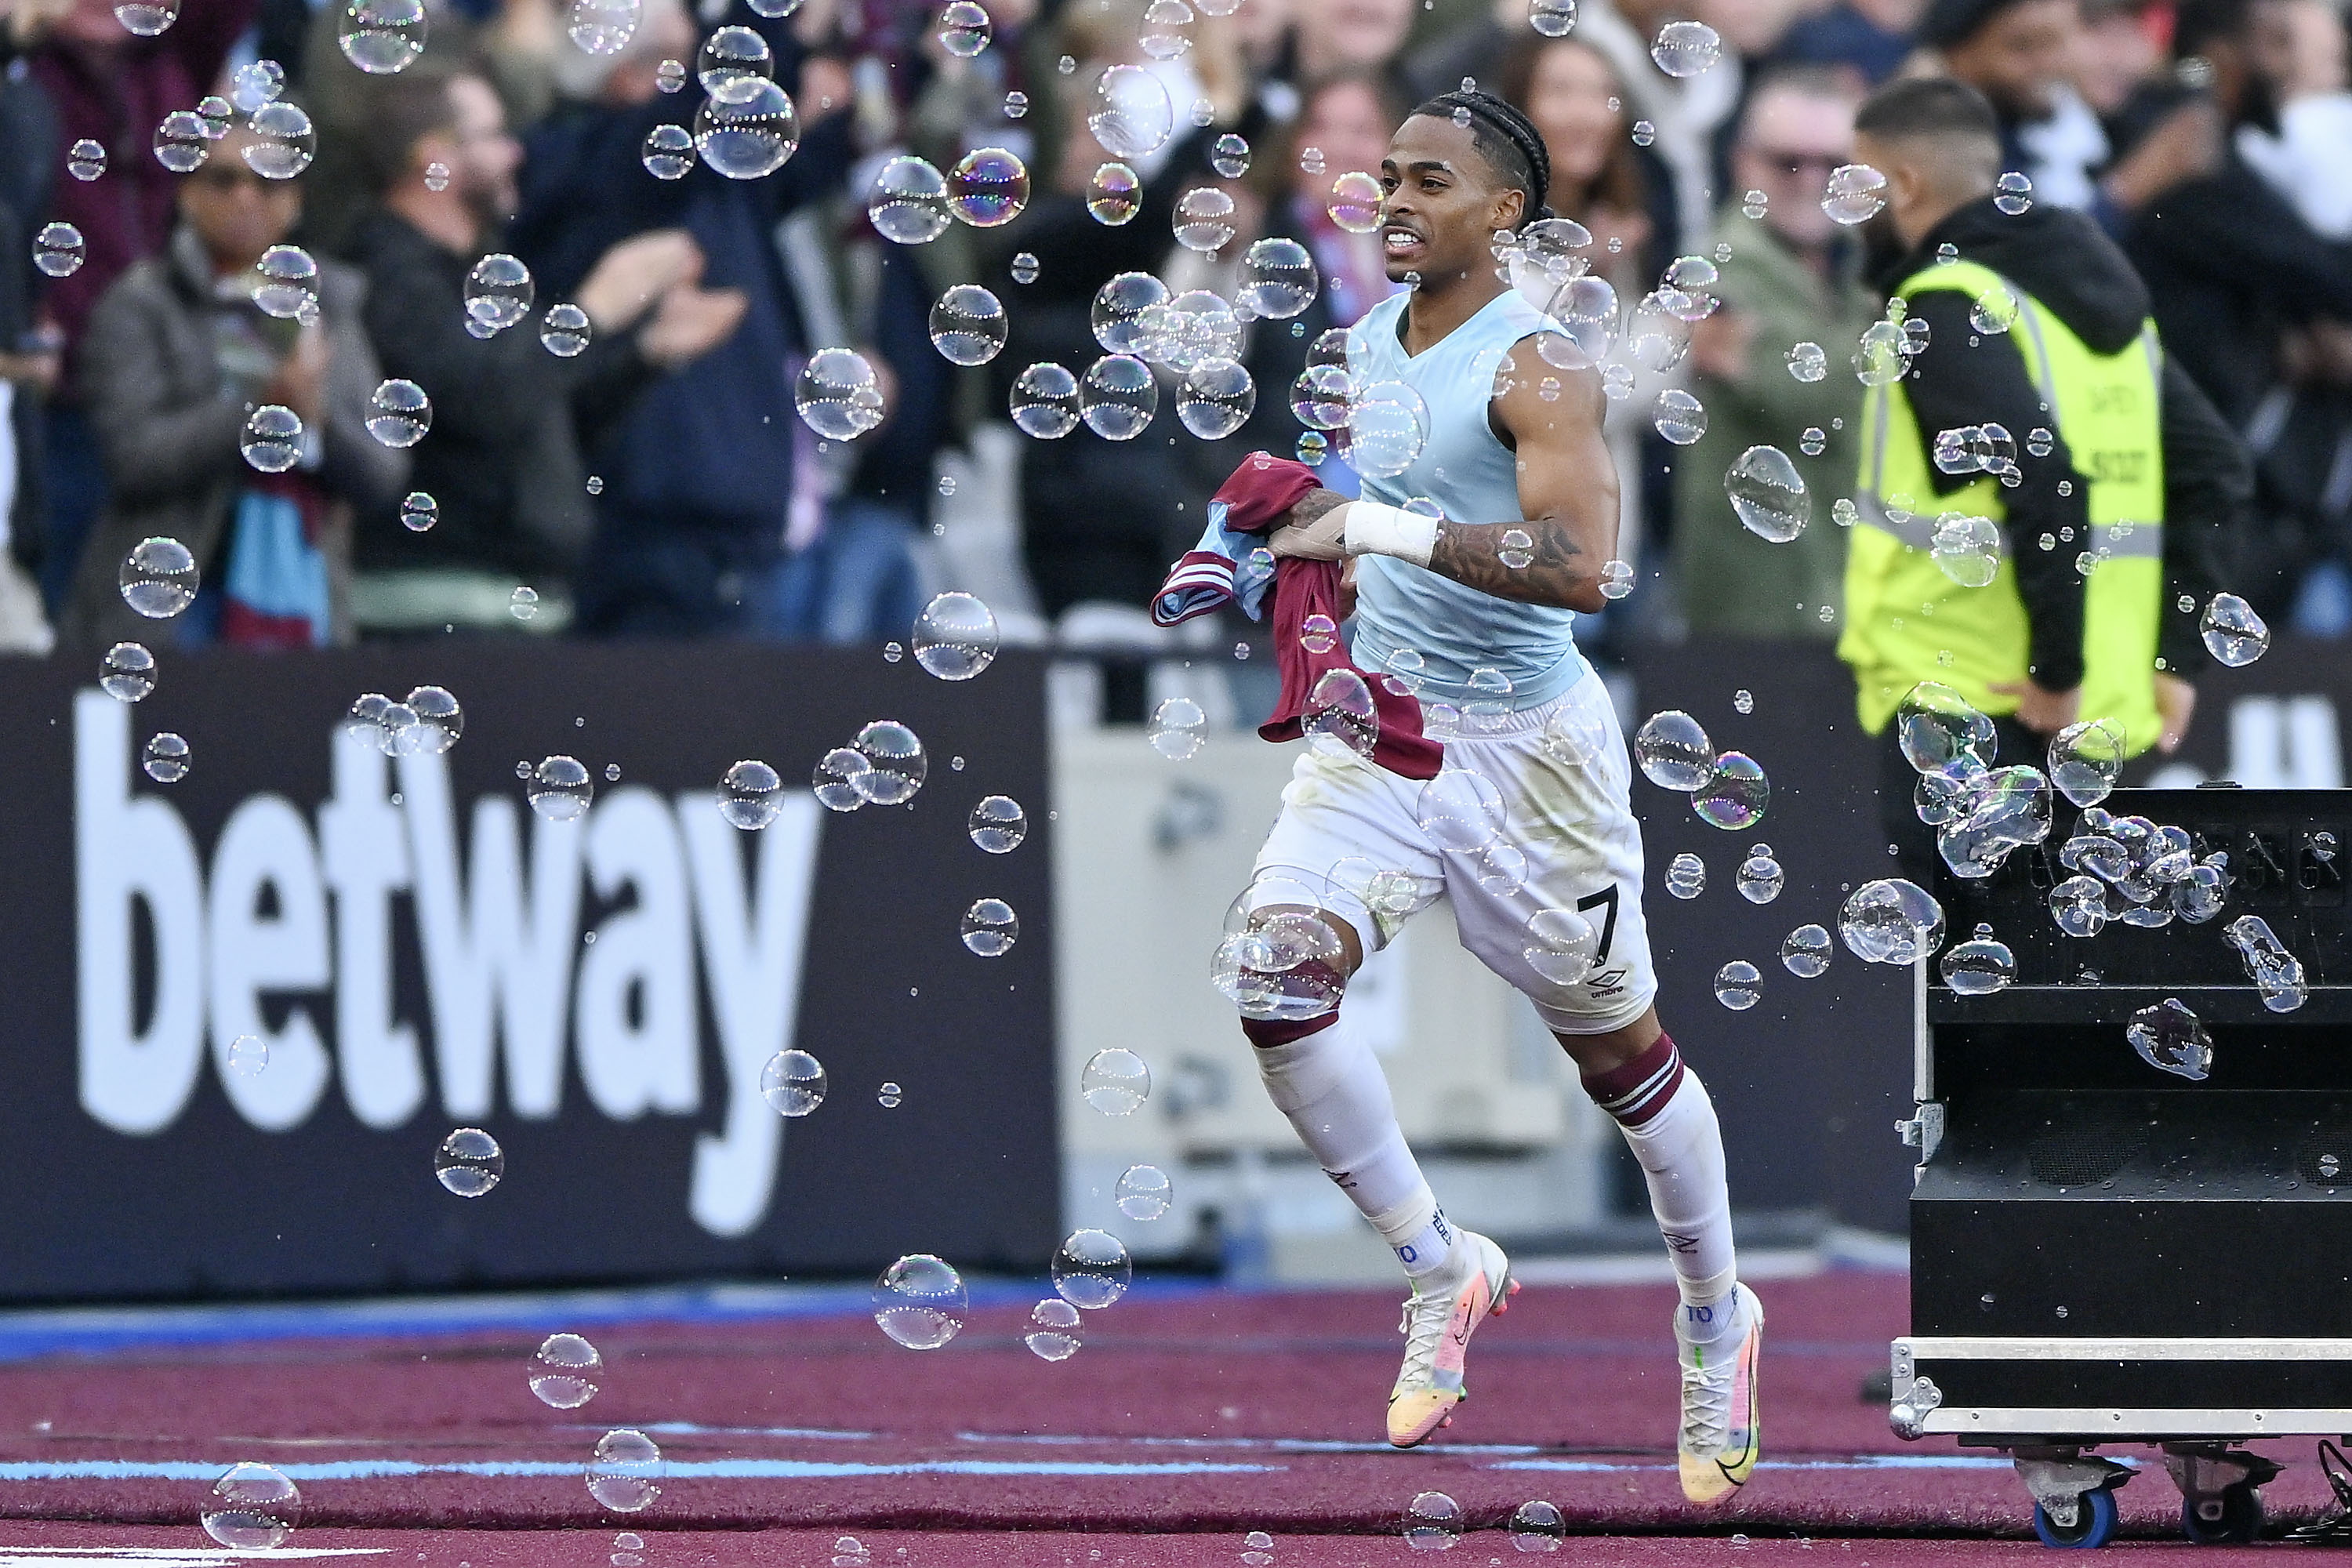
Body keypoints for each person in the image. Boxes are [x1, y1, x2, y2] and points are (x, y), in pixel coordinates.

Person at [1238, 89, 1762, 1502]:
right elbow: (1380, 535)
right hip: (1386, 735)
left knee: (1619, 1061)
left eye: (1431, 179)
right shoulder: (1360, 341)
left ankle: (1716, 1313)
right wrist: (1290, 556)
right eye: (1386, 174)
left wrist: (1380, 525)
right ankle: (1438, 1264)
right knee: (1273, 981)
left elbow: (1582, 569)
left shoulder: (1539, 364)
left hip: (1531, 757)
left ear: (1507, 215)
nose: (1394, 197)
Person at [1837, 77, 2247, 874]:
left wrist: (2055, 674)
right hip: (2088, 716)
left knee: (1965, 982)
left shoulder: (1943, 303)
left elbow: (2045, 478)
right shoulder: (2097, 308)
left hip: (1966, 698)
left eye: (1861, 181)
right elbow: (2215, 469)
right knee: (2060, 985)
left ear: (1908, 184)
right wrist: (2176, 655)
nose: (1852, 209)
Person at [338, 62, 739, 634]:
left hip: (516, 600)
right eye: (494, 135)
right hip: (435, 601)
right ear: (434, 158)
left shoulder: (478, 271)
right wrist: (596, 309)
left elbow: (544, 416)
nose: (516, 153)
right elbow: (483, 398)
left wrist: (647, 355)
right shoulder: (386, 273)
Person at [507, 0, 853, 637]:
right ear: (624, 75)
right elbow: (711, 102)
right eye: (679, 62)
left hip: (743, 511)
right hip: (653, 520)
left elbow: (817, 148)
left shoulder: (723, 179)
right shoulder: (585, 161)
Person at [65, 119, 408, 648]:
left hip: (305, 601)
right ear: (188, 194)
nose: (245, 197)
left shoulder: (331, 306)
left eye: (268, 182)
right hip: (173, 607)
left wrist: (317, 422)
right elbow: (134, 456)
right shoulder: (142, 303)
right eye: (223, 180)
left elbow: (384, 472)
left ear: (294, 201)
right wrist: (261, 408)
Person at [1676, 67, 1878, 638]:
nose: (1812, 180)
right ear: (1745, 163)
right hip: (1755, 608)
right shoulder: (1716, 264)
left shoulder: (1862, 266)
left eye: (1834, 165)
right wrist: (1883, 324)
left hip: (1856, 598)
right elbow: (1805, 395)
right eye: (1789, 162)